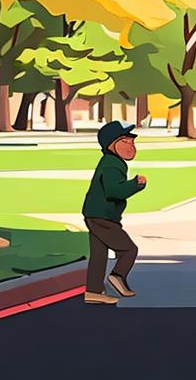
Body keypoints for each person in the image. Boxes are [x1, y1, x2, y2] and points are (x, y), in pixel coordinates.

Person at [82, 120, 147, 305]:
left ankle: (93, 291)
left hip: (95, 214)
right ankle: (117, 276)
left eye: (132, 141)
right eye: (125, 141)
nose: (131, 146)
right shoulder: (112, 164)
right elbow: (114, 191)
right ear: (112, 144)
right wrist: (136, 184)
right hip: (103, 216)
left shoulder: (111, 162)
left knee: (99, 255)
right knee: (128, 249)